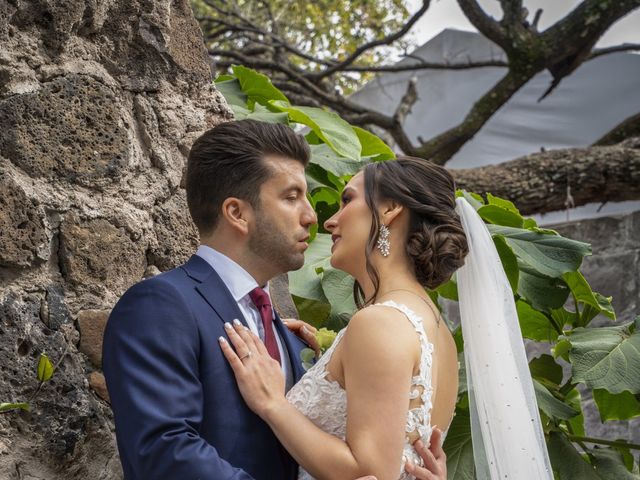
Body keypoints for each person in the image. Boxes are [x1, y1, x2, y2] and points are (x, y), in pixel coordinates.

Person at [102, 120, 447, 480]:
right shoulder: (160, 306)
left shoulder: (287, 334)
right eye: (291, 197)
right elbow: (164, 454)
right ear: (237, 213)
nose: (313, 216)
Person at [221, 155, 554, 480]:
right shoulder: (436, 332)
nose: (329, 221)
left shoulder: (379, 324)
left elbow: (370, 472)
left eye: (347, 200)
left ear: (390, 209)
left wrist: (273, 404)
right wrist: (331, 360)